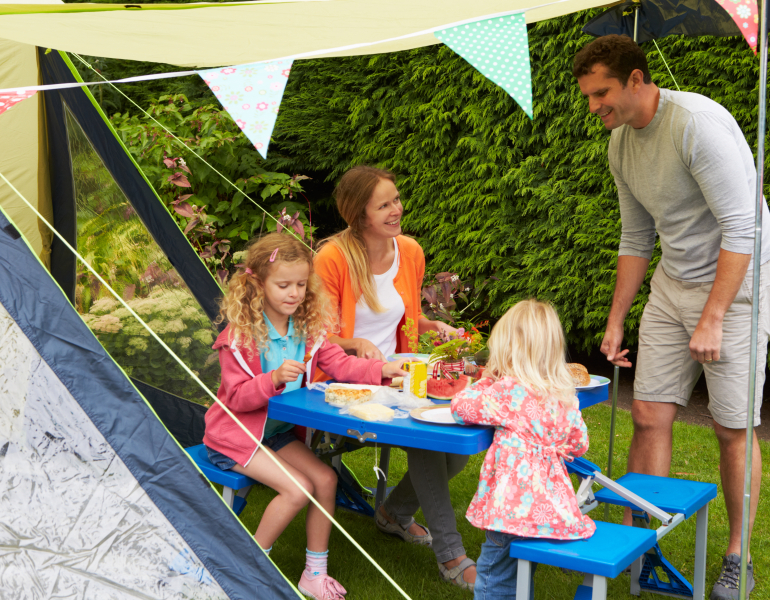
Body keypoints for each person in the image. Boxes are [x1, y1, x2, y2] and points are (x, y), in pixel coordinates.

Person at [572, 35, 770, 600]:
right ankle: (646, 546)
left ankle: (739, 557)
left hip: (736, 286)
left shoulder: (696, 125)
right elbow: (635, 236)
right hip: (672, 283)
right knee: (647, 413)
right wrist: (617, 318)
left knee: (733, 426)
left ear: (637, 79)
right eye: (589, 96)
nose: (594, 107)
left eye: (602, 93)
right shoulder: (620, 143)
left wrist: (712, 317)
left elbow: (743, 229)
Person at [203, 232, 407, 600]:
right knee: (297, 489)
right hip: (236, 437)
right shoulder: (241, 337)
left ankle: (314, 573)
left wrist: (381, 372)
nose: (294, 293)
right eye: (283, 285)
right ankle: (249, 569)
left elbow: (340, 363)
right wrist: (272, 379)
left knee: (325, 480)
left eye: (300, 284)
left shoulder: (306, 329)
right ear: (257, 284)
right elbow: (234, 398)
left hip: (276, 436)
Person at [314, 165, 478, 590]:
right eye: (383, 204)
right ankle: (452, 555)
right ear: (358, 213)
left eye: (397, 199)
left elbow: (404, 318)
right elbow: (318, 335)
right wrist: (356, 346)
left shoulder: (410, 251)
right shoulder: (332, 258)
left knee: (458, 442)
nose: (396, 210)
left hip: (399, 375)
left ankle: (391, 513)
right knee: (427, 441)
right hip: (343, 381)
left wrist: (433, 327)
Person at [450, 299, 595, 600]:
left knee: (493, 576)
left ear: (509, 350)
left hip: (512, 508)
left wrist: (485, 382)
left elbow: (461, 408)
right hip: (550, 509)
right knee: (520, 573)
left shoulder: (508, 391)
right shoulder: (564, 396)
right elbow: (580, 443)